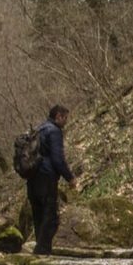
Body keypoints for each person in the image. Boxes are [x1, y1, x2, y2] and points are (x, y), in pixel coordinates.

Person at [28, 105, 77, 255]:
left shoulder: (39, 129)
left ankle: (41, 251)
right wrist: (70, 178)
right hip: (47, 177)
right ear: (58, 116)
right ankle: (42, 251)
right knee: (51, 218)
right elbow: (57, 160)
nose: (66, 121)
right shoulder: (54, 131)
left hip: (32, 177)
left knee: (39, 216)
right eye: (65, 118)